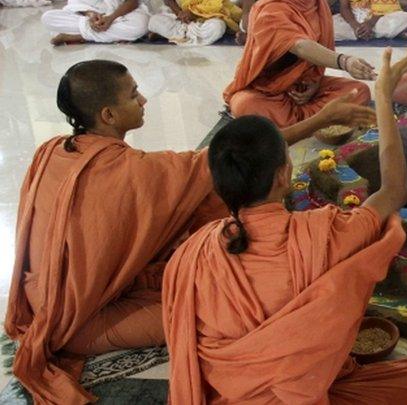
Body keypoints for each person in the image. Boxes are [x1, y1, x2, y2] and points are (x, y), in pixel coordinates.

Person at [6, 59, 374, 404]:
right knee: (209, 310)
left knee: (194, 247)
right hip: (77, 321)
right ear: (108, 115)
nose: (144, 98)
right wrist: (320, 119)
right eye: (134, 94)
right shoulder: (131, 172)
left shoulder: (50, 150)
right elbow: (214, 165)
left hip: (49, 293)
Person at [165, 47, 407, 404]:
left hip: (234, 396)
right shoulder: (322, 233)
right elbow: (393, 190)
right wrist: (383, 96)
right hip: (303, 394)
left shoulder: (192, 254)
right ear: (283, 175)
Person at [225, 0, 372, 126]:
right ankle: (317, 119)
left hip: (304, 86)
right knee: (246, 105)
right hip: (267, 90)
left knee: (359, 91)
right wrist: (345, 61)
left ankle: (299, 121)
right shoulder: (271, 8)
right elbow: (300, 45)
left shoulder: (317, 0)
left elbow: (321, 49)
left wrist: (316, 83)